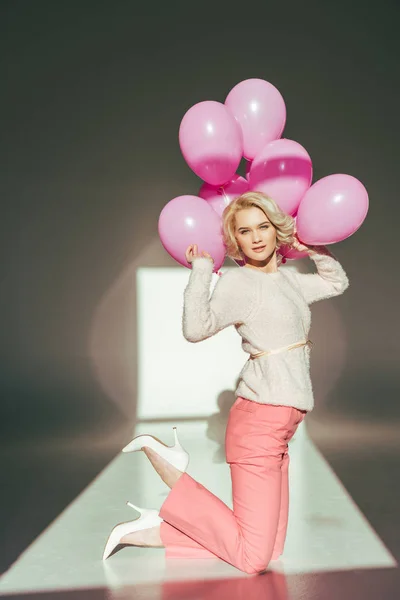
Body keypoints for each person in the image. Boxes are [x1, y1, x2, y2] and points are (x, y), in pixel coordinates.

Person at [103, 191, 350, 574]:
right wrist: (201, 272)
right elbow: (196, 328)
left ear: (275, 228)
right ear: (235, 239)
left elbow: (335, 283)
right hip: (258, 426)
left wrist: (314, 248)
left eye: (263, 227)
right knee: (254, 560)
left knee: (270, 552)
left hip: (282, 427)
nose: (256, 238)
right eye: (245, 231)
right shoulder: (239, 284)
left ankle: (156, 530)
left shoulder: (289, 281)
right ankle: (167, 467)